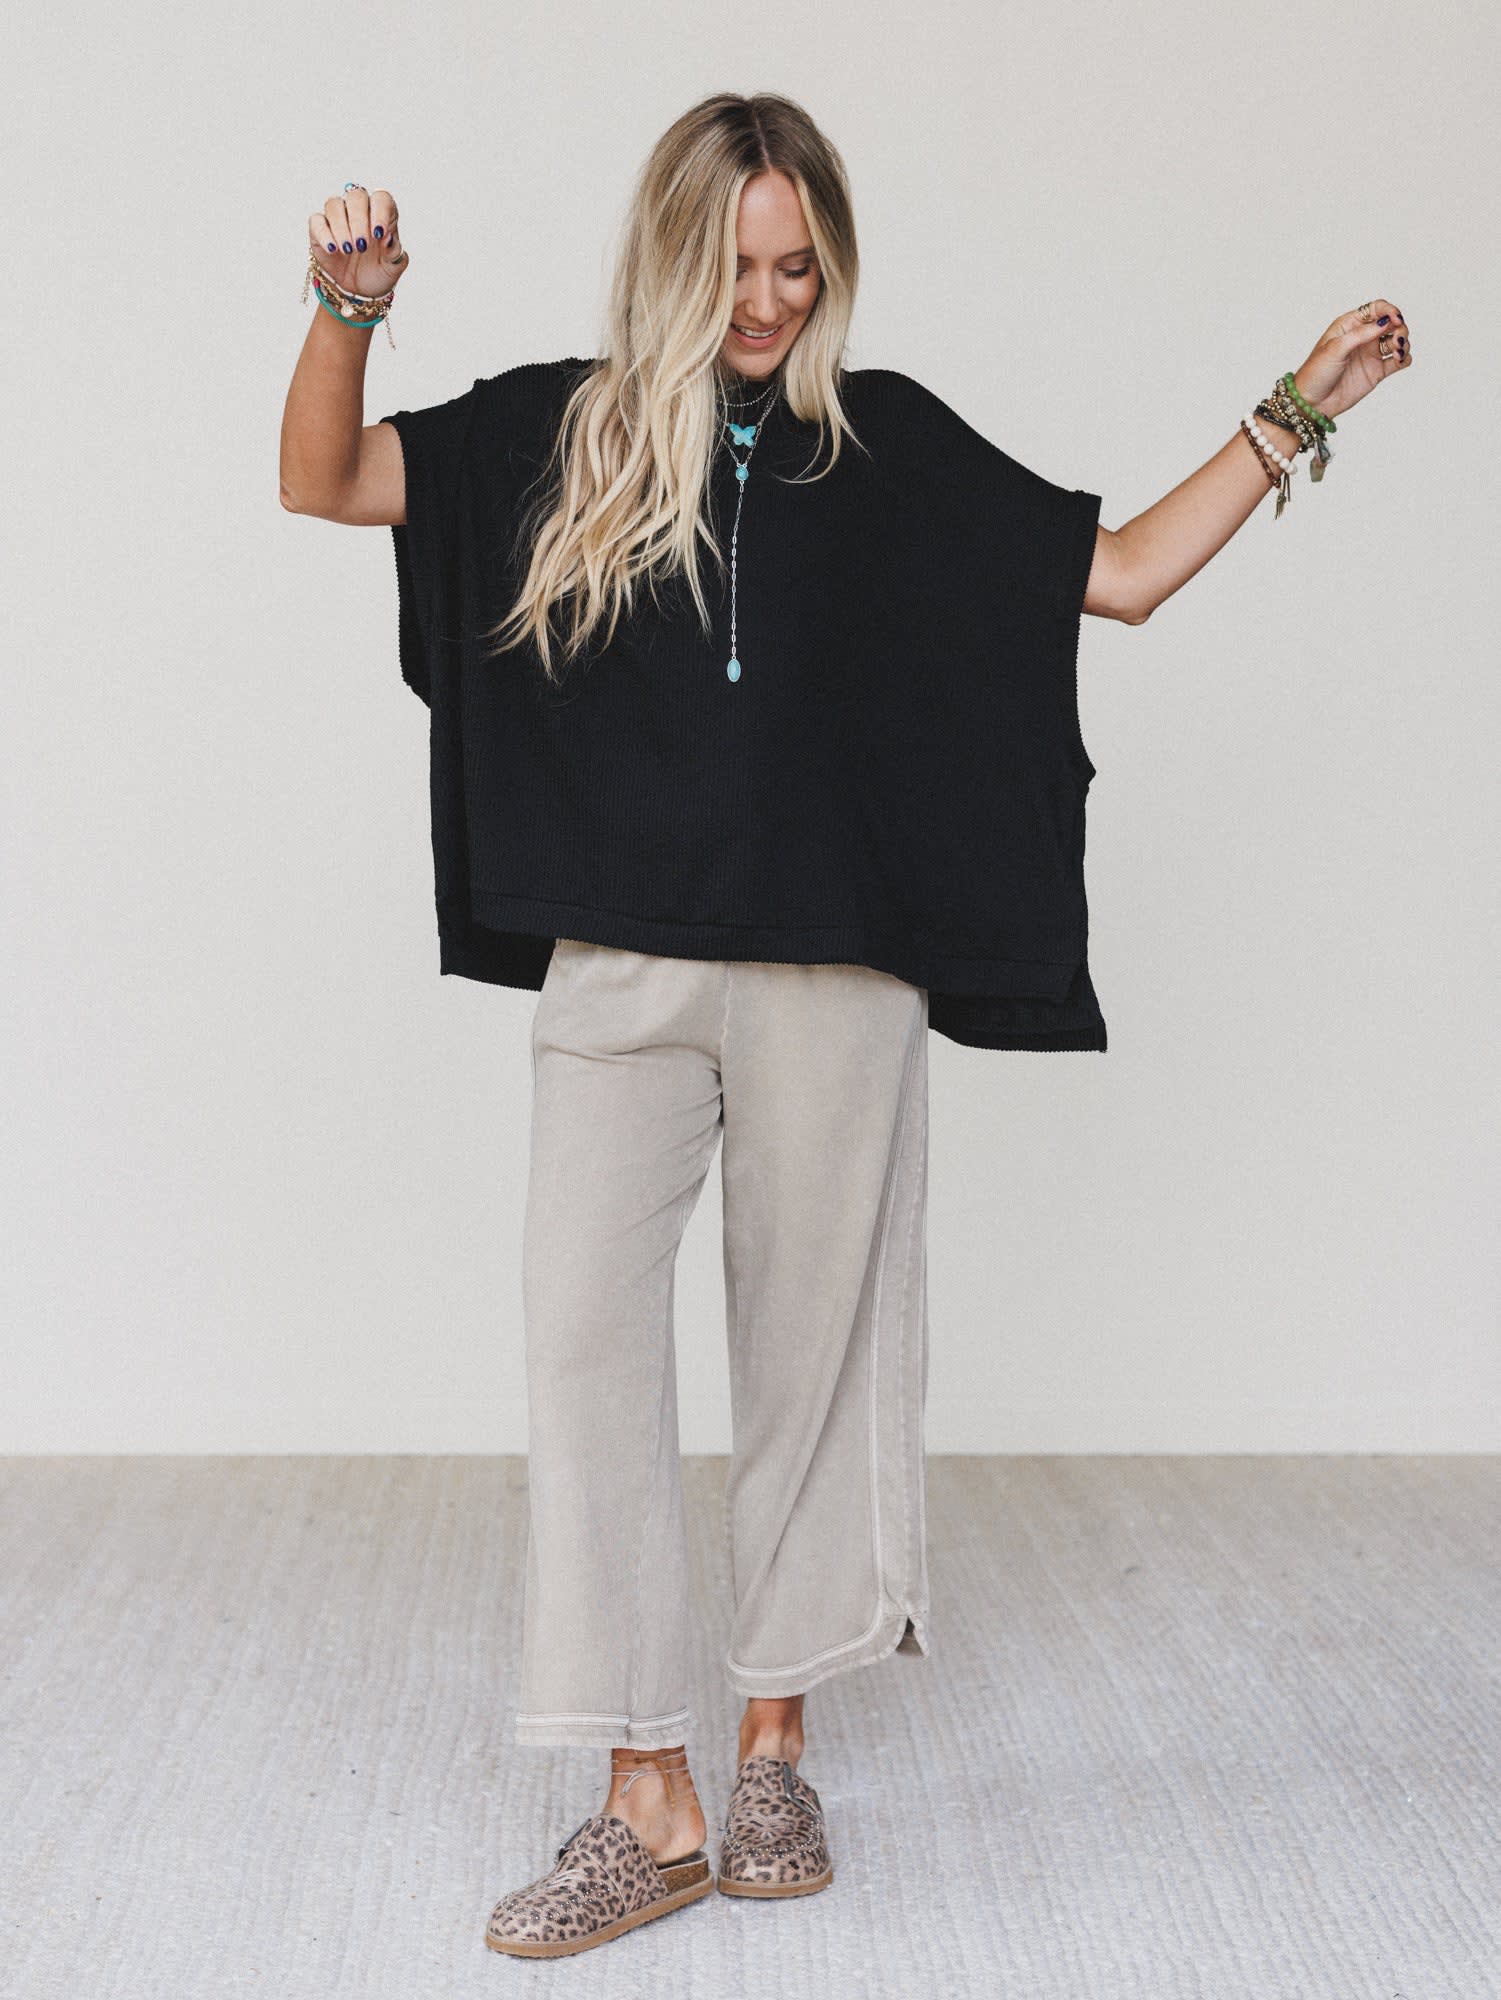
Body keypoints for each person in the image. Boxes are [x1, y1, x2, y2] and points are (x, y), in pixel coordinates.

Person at [279, 90, 1411, 1961]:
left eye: (799, 269)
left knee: (811, 1358)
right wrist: (349, 311)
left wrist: (1299, 406)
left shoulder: (884, 450)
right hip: (621, 977)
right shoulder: (554, 432)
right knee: (581, 1348)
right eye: (736, 267)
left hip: (834, 976)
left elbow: (1122, 575)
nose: (766, 302)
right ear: (671, 258)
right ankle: (644, 1794)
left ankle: (773, 1750)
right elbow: (324, 481)